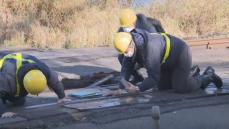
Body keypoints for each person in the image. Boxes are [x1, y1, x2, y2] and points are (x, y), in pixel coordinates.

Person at [113, 29, 223, 95]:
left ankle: (208, 76)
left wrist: (137, 88)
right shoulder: (129, 44)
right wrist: (120, 87)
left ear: (131, 44)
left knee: (180, 87)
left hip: (180, 54)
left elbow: (153, 77)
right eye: (123, 53)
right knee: (163, 88)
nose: (125, 54)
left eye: (126, 51)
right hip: (165, 61)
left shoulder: (150, 49)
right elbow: (126, 67)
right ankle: (190, 73)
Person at [0, 52, 70, 118]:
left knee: (19, 102)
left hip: (17, 62)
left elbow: (55, 82)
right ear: (24, 84)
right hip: (5, 62)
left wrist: (62, 97)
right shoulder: (8, 79)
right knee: (11, 94)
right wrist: (3, 112)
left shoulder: (44, 70)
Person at [118, 9, 166, 84]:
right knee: (121, 56)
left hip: (151, 54)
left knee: (160, 84)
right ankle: (137, 77)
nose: (126, 29)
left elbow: (157, 47)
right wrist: (123, 82)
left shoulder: (148, 26)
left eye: (128, 25)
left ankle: (158, 76)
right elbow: (121, 45)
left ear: (134, 22)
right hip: (135, 53)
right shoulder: (122, 29)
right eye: (124, 26)